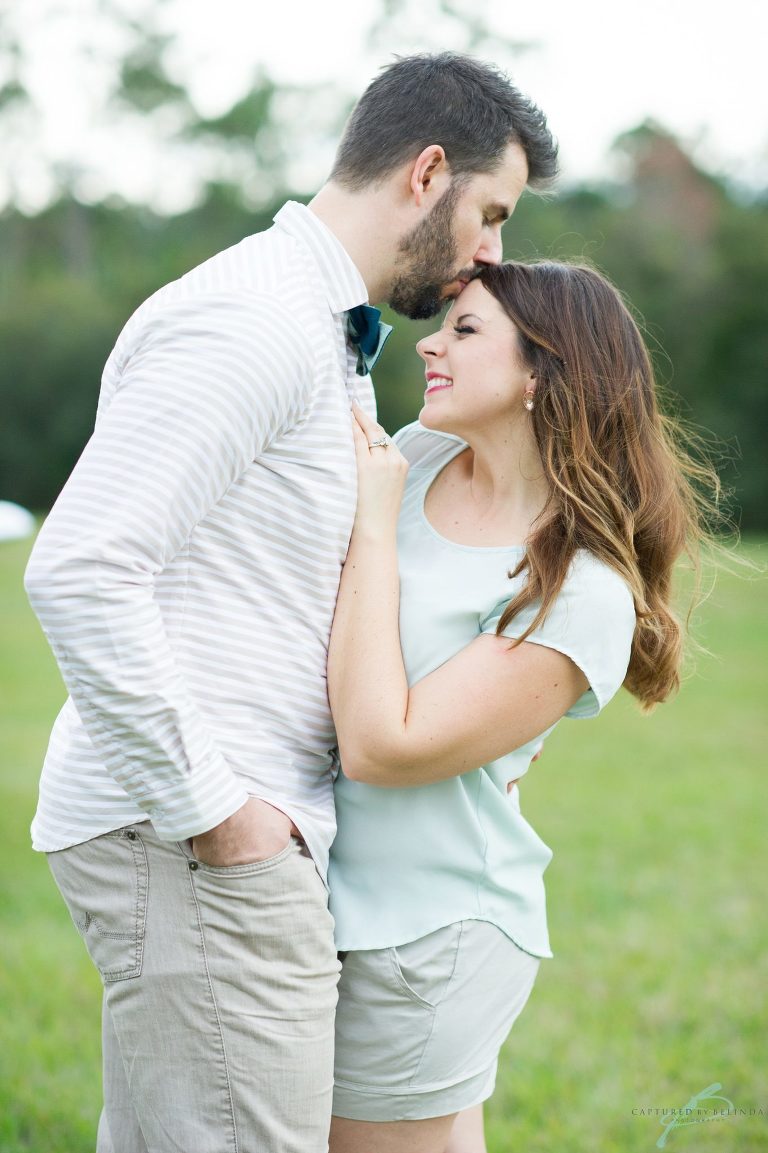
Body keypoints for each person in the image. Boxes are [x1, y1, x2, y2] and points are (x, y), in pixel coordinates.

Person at [23, 53, 557, 1153]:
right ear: (426, 175)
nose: (493, 254)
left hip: (239, 835)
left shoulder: (323, 331)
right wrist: (219, 815)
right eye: (491, 213)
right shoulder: (253, 320)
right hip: (202, 838)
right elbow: (79, 565)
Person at [325, 260, 718, 1153]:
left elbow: (384, 745)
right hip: (340, 906)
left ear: (543, 373)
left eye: (465, 331)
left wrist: (374, 525)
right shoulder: (421, 455)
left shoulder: (583, 592)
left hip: (424, 940)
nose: (428, 340)